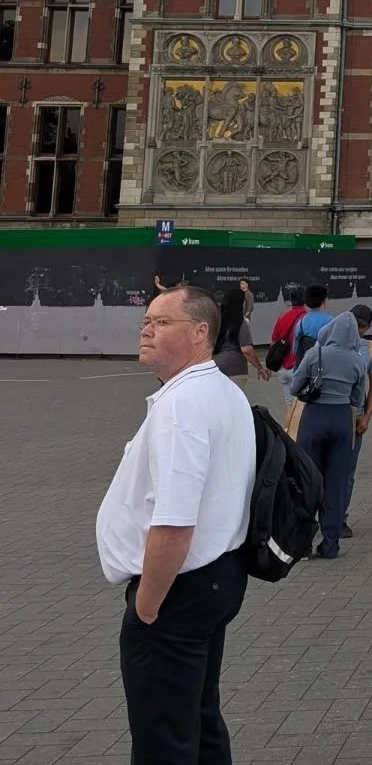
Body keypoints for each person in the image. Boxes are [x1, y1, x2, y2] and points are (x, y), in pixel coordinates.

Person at [96, 285, 255, 763]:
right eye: (146, 319)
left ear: (201, 332)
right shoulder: (221, 390)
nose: (146, 328)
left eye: (162, 322)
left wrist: (146, 608)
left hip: (175, 591)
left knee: (163, 737)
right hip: (215, 578)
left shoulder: (183, 405)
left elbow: (174, 522)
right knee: (199, 717)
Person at [288, 310, 368, 559]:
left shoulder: (315, 353)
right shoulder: (357, 361)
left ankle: (302, 544)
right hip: (342, 420)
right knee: (336, 481)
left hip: (314, 418)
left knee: (307, 479)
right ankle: (330, 543)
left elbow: (294, 386)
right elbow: (358, 398)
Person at [342, 303, 372, 539]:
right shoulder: (330, 342)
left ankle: (341, 517)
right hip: (328, 413)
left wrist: (367, 417)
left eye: (362, 327)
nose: (357, 330)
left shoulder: (370, 349)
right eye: (354, 325)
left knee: (348, 470)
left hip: (355, 415)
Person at [212, 285, 267, 382]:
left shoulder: (217, 322)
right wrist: (259, 367)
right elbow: (247, 350)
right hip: (235, 369)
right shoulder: (241, 323)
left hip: (215, 367)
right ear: (241, 304)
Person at [270, 284, 306, 400]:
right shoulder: (307, 319)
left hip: (283, 368)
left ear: (291, 300)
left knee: (289, 406)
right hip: (299, 367)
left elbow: (274, 341)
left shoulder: (282, 317)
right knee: (300, 409)